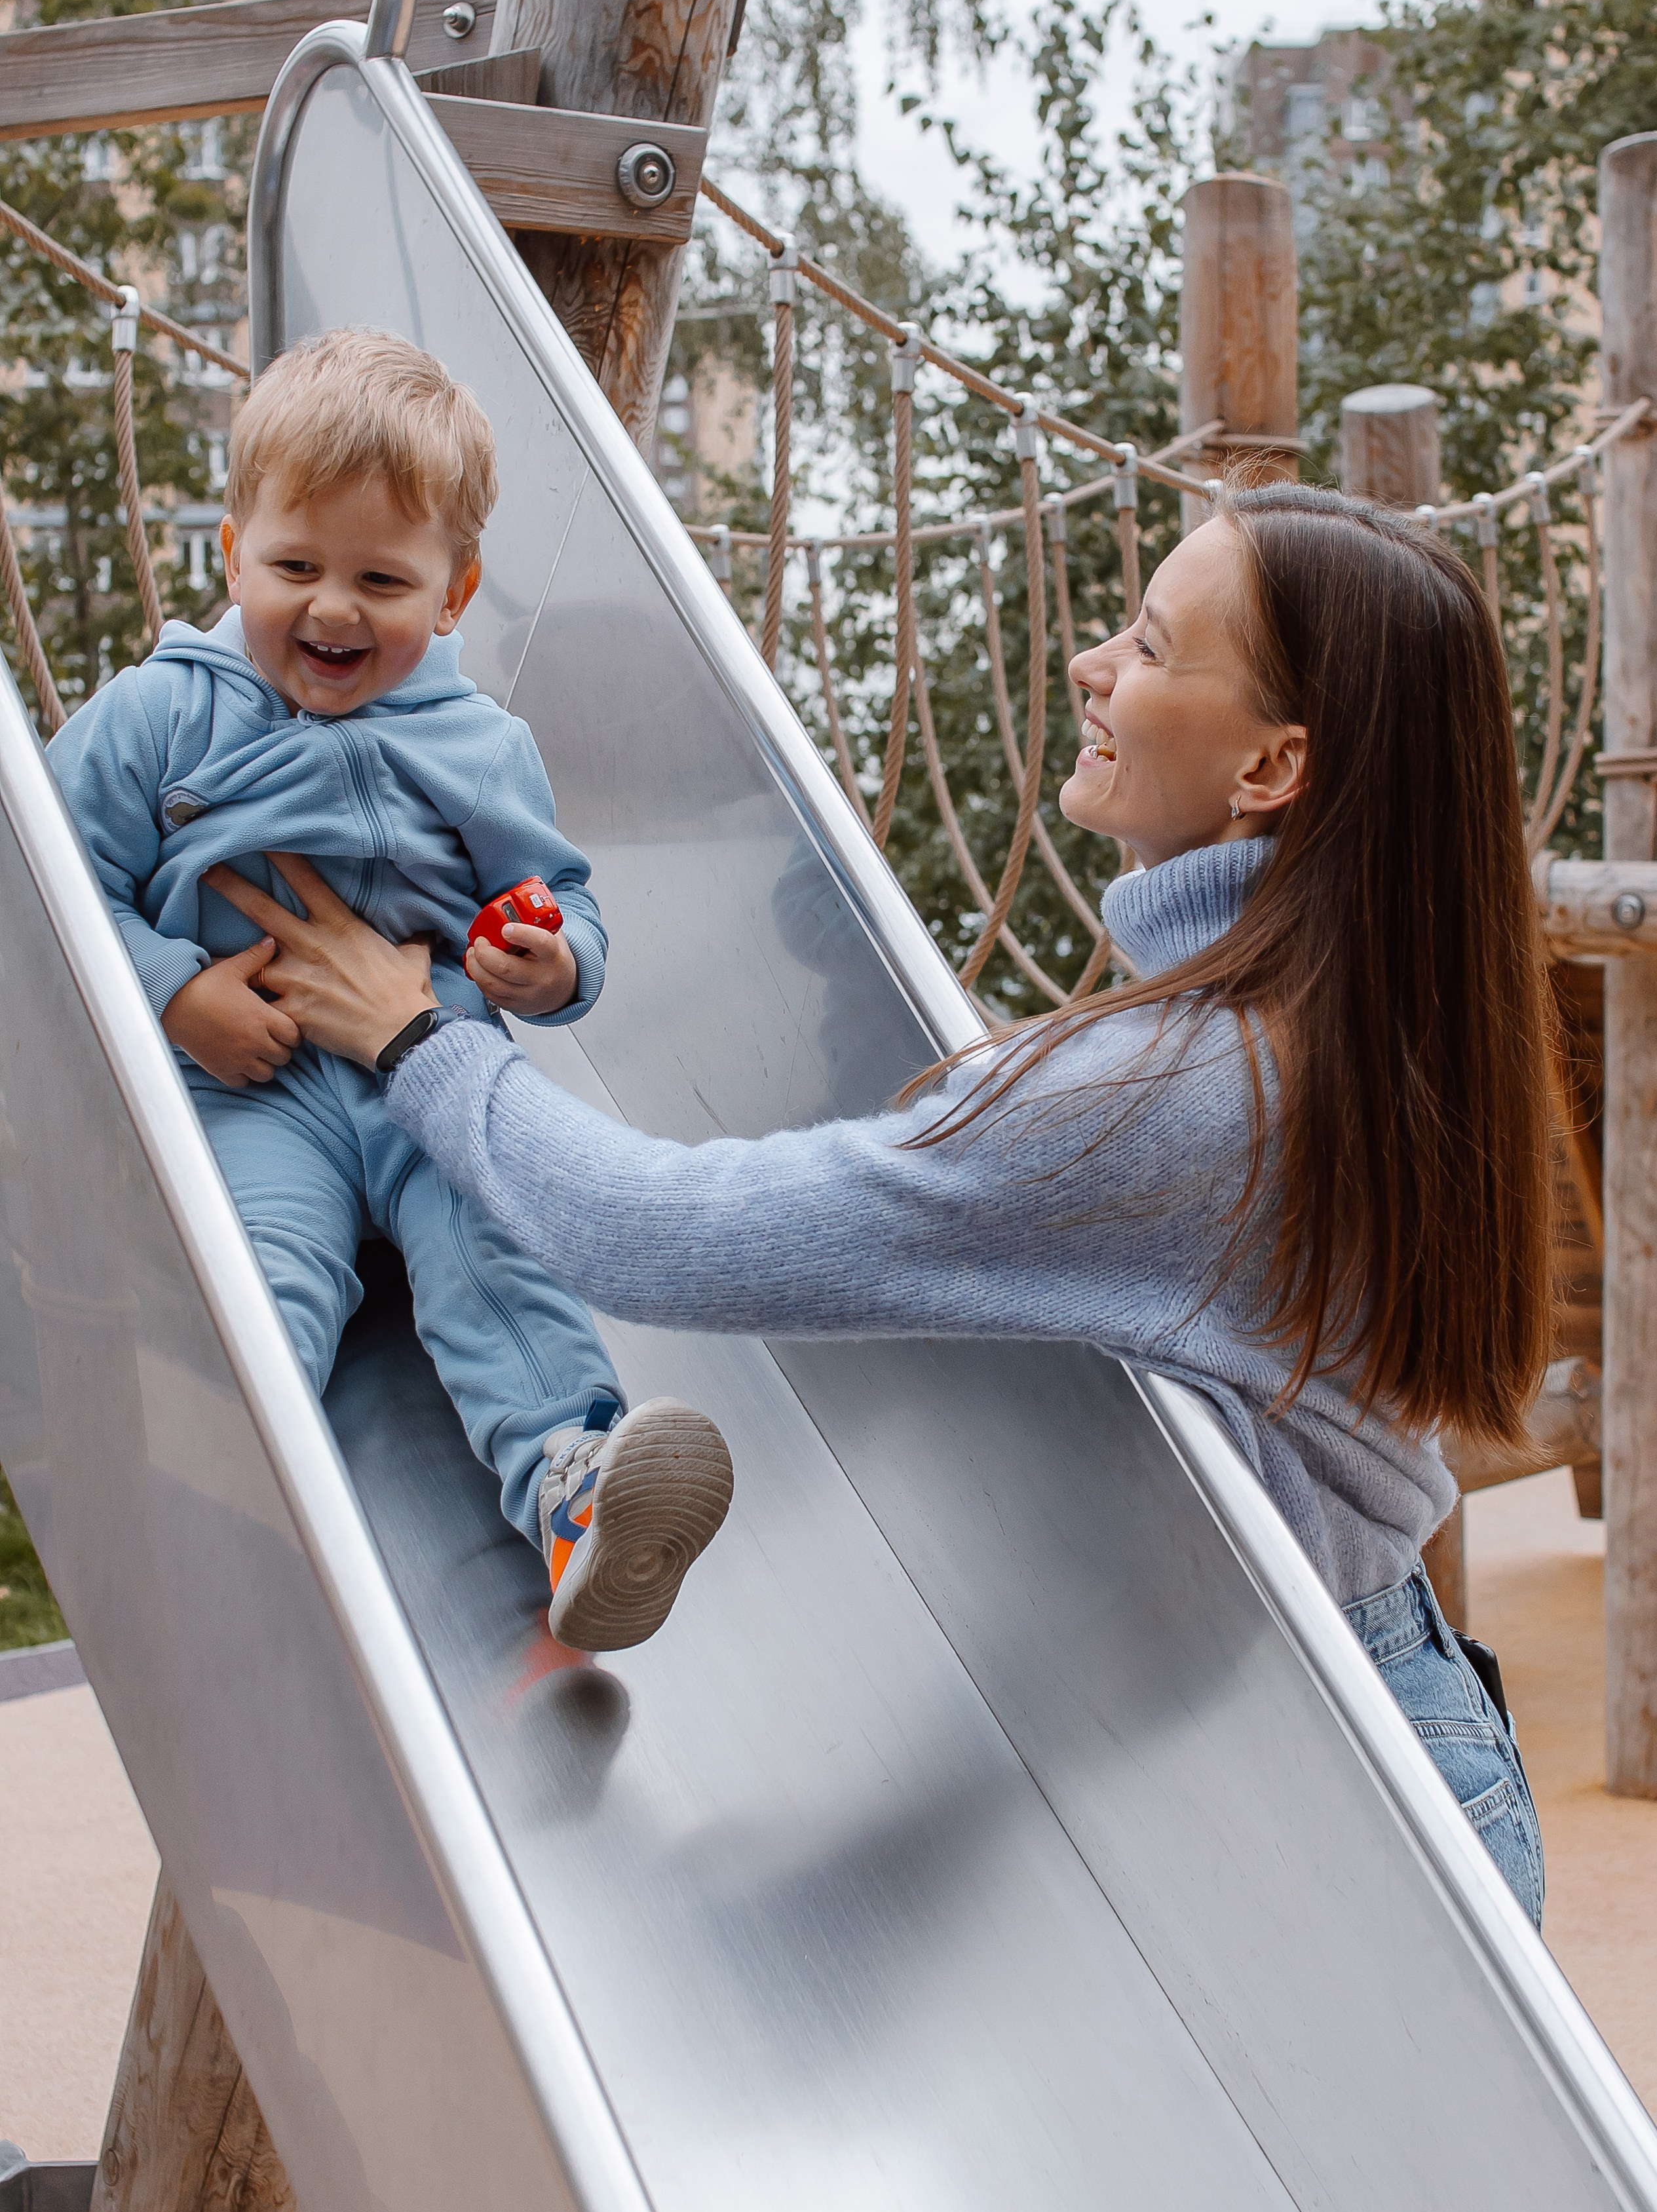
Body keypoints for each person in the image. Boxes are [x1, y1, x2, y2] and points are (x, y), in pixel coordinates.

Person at [208, 483, 1553, 1927]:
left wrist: (415, 1038)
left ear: (1271, 765)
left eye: (1152, 648)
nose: (1091, 665)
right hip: (1373, 1726)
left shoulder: (1178, 1091)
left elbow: (664, 1238)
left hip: (1323, 1795)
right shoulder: (1362, 1026)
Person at [50, 327, 733, 1654]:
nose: (334, 611)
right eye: (295, 567)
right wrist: (176, 993)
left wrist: (548, 961)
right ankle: (232, 1494)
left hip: (431, 1073)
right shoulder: (160, 715)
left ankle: (577, 1491)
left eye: (381, 579)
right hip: (257, 1091)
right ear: (232, 551)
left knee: (500, 1254)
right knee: (268, 1272)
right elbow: (55, 889)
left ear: (455, 591)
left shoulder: (481, 743)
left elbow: (556, 895)